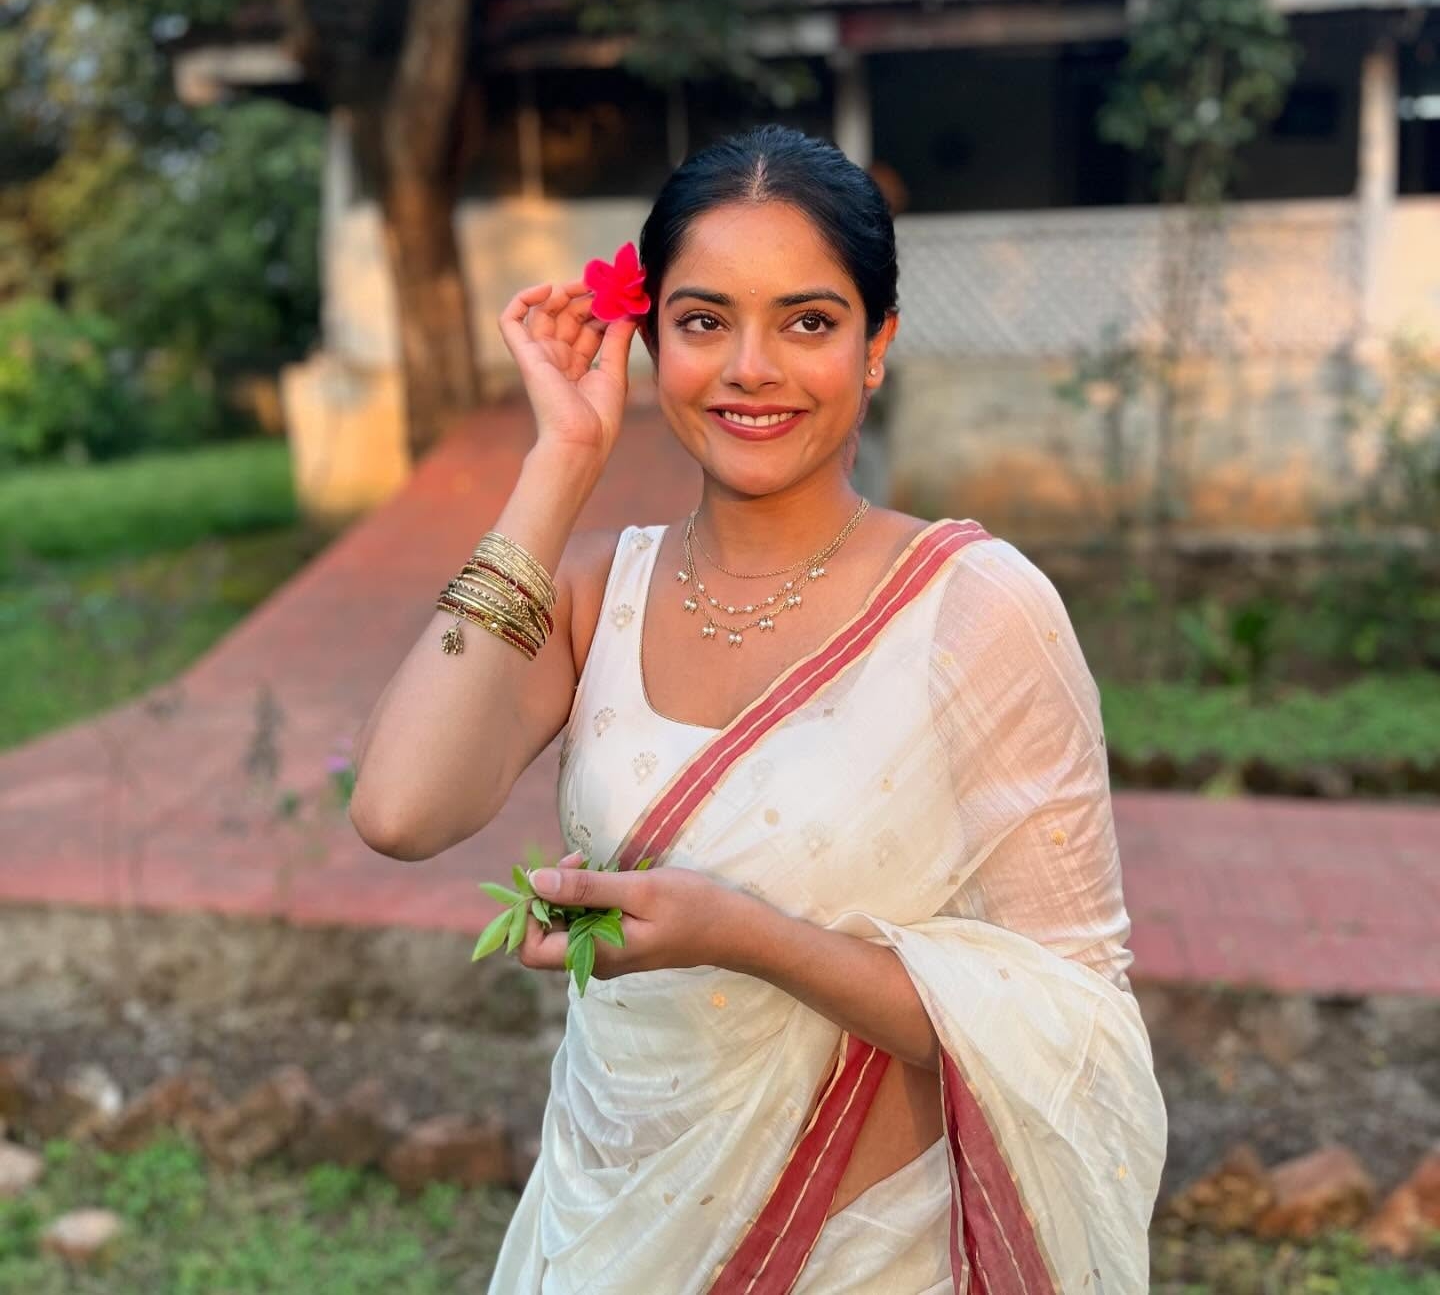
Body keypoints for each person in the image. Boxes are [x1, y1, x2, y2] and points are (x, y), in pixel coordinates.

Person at [349, 125, 1166, 1294]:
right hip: (608, 1222)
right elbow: (399, 807)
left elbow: (1071, 1022)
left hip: (864, 1252)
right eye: (703, 321)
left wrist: (748, 937)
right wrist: (561, 459)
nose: (750, 367)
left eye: (808, 322)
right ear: (650, 340)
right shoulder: (596, 592)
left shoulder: (975, 608)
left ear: (877, 347)